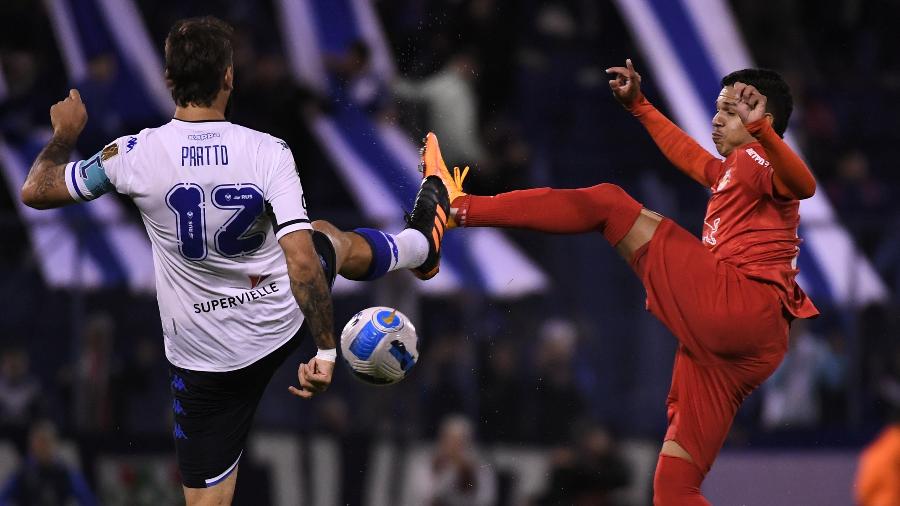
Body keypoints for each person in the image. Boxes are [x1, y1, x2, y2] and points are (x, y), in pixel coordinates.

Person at [20, 16, 450, 506]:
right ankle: (420, 246)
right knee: (328, 237)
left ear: (167, 80)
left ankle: (419, 248)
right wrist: (327, 352)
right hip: (277, 319)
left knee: (207, 503)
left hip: (204, 360)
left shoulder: (130, 155)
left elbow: (36, 190)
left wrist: (65, 136)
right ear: (229, 77)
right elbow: (304, 264)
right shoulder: (268, 152)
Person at [418, 57, 819, 505]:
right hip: (745, 346)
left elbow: (804, 185)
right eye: (720, 107)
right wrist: (640, 106)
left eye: (733, 110)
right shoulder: (734, 169)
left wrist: (762, 130)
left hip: (741, 307)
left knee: (608, 204)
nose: (720, 117)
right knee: (674, 487)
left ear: (764, 119)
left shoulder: (759, 156)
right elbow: (690, 157)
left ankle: (458, 207)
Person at [0, 419, 98, 505]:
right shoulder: (22, 473)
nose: (42, 448)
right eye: (38, 443)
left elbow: (88, 500)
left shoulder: (65, 473)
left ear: (54, 444)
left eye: (46, 442)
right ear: (32, 446)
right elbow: (3, 498)